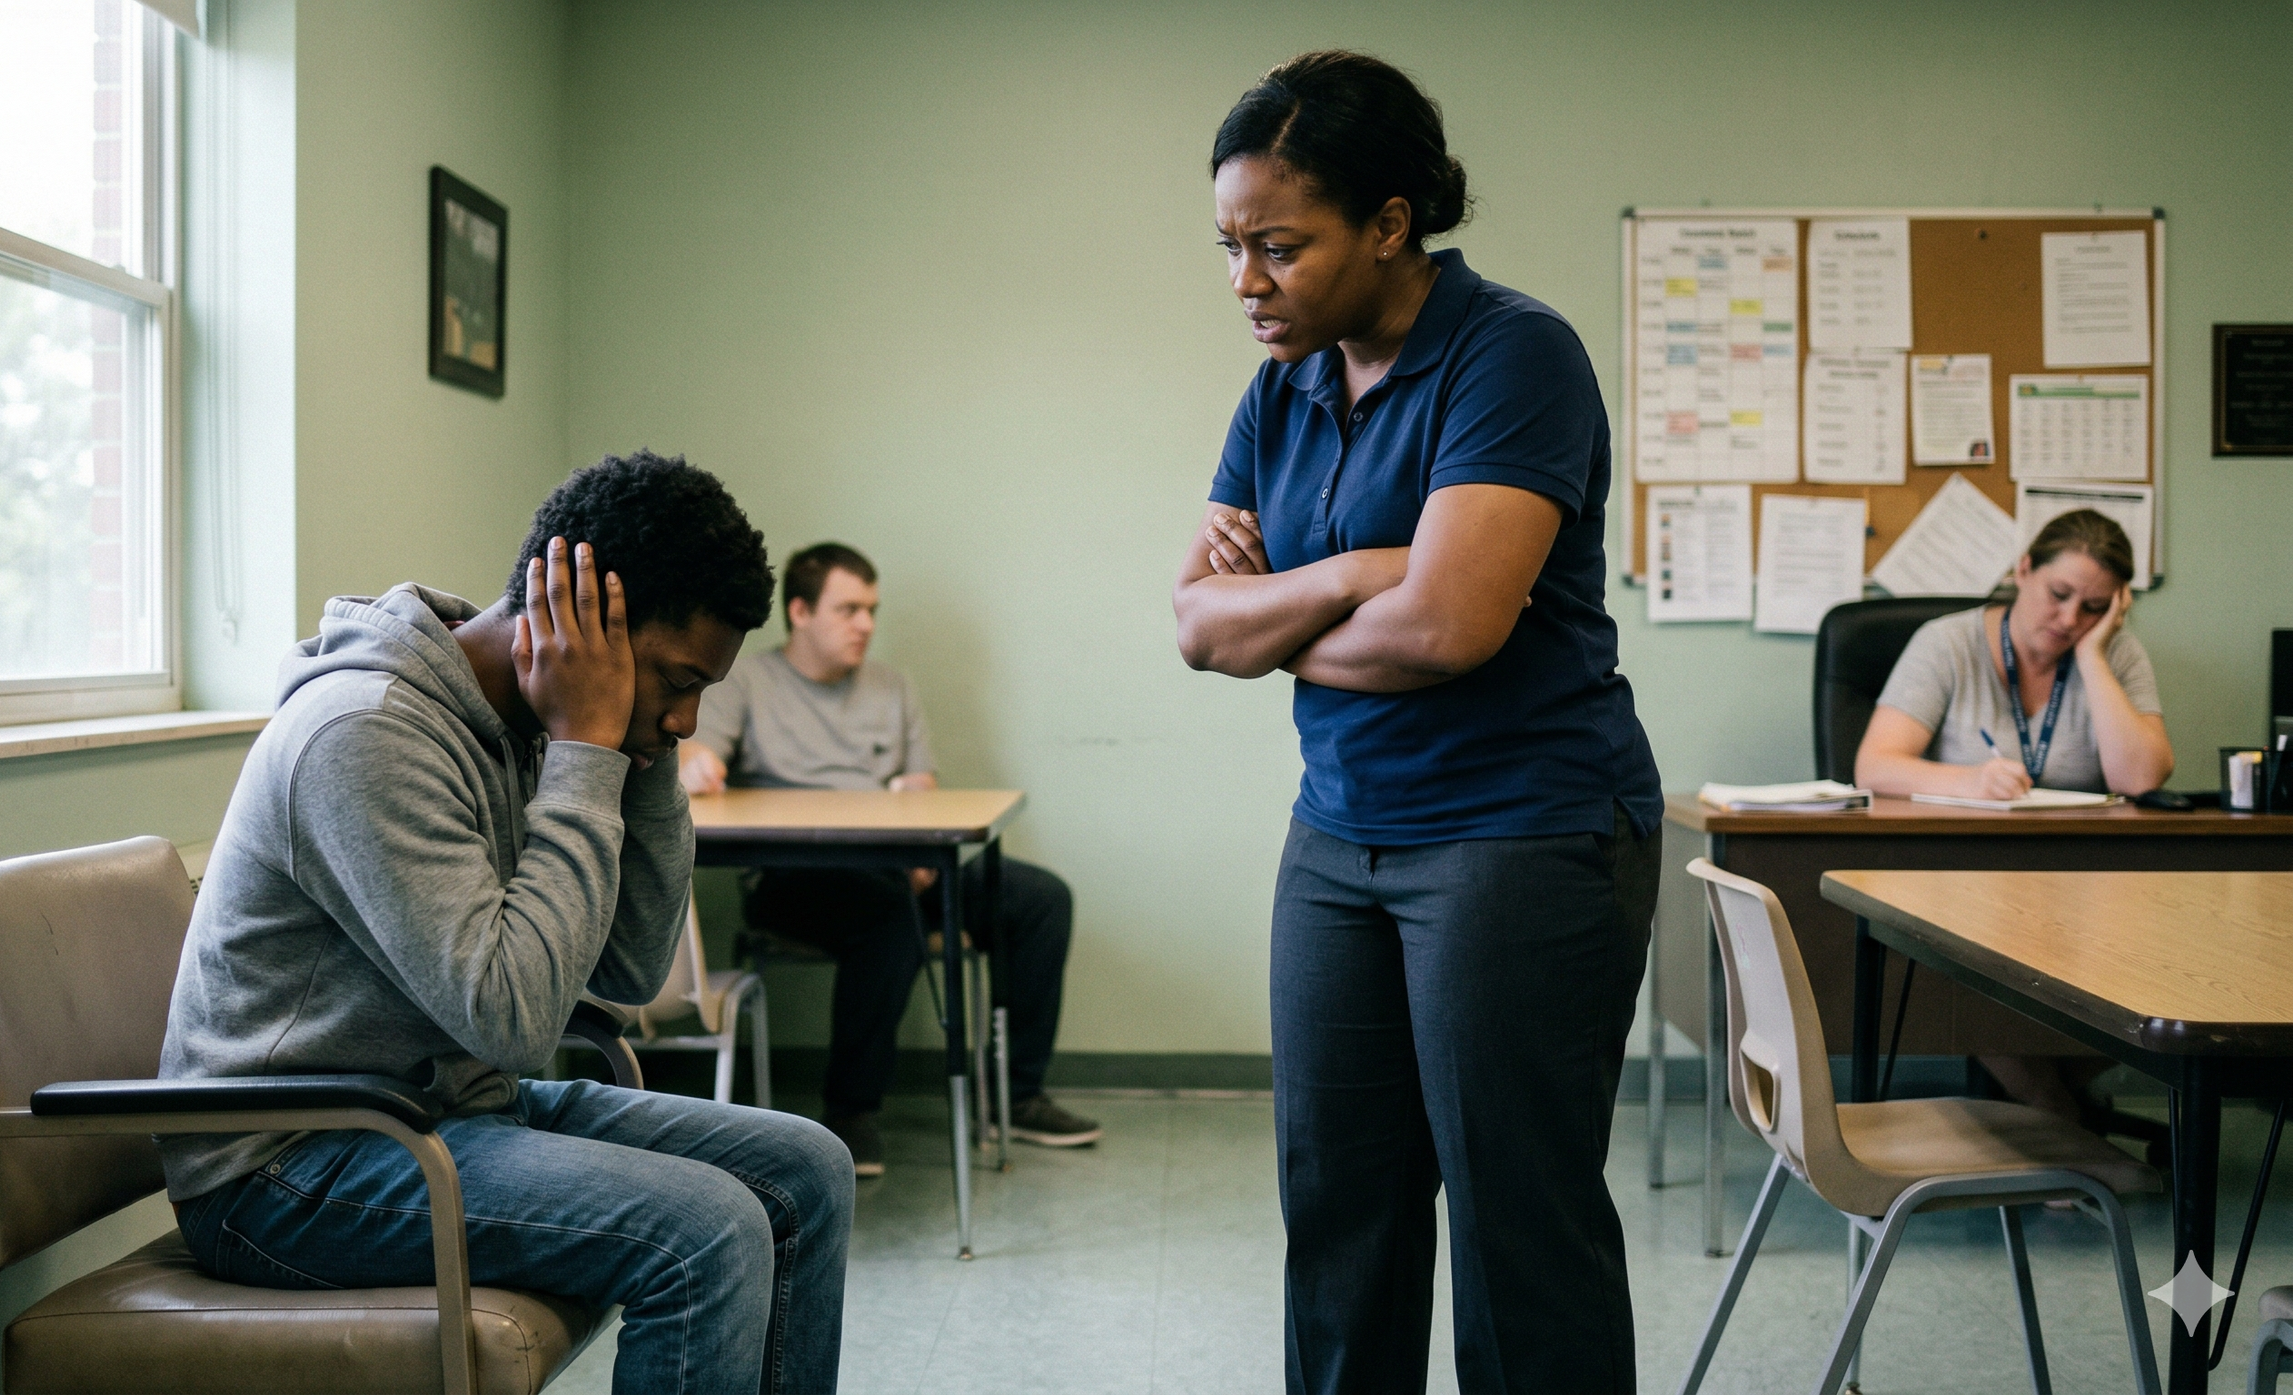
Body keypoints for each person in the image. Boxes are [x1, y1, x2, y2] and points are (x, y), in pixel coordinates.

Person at [1171, 52, 1663, 1395]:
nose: (1247, 281)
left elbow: (1450, 628)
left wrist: (1286, 606)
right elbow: (1198, 627)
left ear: (1390, 223)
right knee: (1339, 1210)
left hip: (1523, 830)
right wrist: (1358, 573)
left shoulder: (1512, 354)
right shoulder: (1282, 387)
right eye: (1230, 248)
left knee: (1518, 1226)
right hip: (1338, 834)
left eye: (1280, 246)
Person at [159, 453, 855, 1395]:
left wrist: (633, 758)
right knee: (707, 1231)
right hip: (288, 1163)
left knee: (809, 1170)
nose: (690, 719)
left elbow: (631, 968)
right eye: (678, 680)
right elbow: (516, 1021)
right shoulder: (362, 731)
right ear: (582, 623)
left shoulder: (526, 725)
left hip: (443, 1113)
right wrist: (588, 747)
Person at [681, 542, 1101, 1177]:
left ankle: (1016, 1099)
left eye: (871, 610)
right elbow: (697, 757)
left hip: (896, 866)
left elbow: (919, 782)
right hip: (798, 878)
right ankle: (850, 1112)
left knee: (1040, 899)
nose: (866, 625)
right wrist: (697, 763)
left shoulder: (890, 686)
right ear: (800, 611)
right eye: (848, 609)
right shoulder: (747, 681)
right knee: (887, 916)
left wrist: (919, 833)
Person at [1856, 508, 2173, 1119]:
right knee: (1962, 962)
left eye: (2094, 607)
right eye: (2059, 594)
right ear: (2024, 569)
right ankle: (2057, 1114)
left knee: (2158, 960)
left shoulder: (2115, 654)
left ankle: (2046, 1111)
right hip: (1967, 882)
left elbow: (2139, 777)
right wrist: (1969, 781)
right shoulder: (1948, 643)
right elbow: (1874, 765)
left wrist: (2094, 657)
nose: (2069, 619)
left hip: (2085, 887)